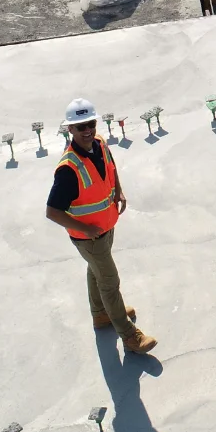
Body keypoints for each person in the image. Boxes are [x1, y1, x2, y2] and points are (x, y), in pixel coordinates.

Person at [46, 98, 156, 355]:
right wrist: (85, 230)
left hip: (105, 227)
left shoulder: (100, 144)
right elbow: (52, 212)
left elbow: (111, 167)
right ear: (70, 130)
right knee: (109, 281)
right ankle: (129, 336)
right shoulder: (68, 169)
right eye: (80, 126)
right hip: (89, 237)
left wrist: (119, 190)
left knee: (96, 270)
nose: (87, 130)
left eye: (91, 124)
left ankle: (101, 315)